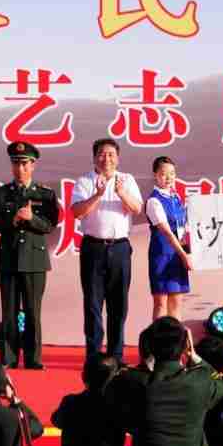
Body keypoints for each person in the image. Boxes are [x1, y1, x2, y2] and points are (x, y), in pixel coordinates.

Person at [0, 141, 61, 369]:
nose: (20, 169)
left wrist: (31, 218)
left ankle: (33, 359)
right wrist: (14, 219)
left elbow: (50, 225)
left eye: (25, 164)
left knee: (32, 311)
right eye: (16, 164)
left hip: (34, 260)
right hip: (8, 259)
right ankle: (8, 359)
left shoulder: (46, 194)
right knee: (9, 311)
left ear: (33, 165)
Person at [72, 138, 142, 360]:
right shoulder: (84, 181)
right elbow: (77, 212)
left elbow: (137, 208)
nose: (106, 158)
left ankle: (116, 356)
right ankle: (94, 356)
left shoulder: (127, 180)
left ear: (118, 158)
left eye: (111, 154)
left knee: (118, 305)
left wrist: (121, 192)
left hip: (120, 248)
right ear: (94, 158)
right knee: (93, 304)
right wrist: (98, 194)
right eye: (102, 154)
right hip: (93, 248)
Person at [145, 156, 191, 323]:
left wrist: (187, 251)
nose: (169, 177)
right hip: (162, 255)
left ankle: (175, 339)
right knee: (161, 303)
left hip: (177, 256)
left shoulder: (176, 197)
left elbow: (183, 228)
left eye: (172, 173)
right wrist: (184, 256)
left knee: (176, 302)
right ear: (155, 175)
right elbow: (167, 233)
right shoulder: (154, 201)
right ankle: (158, 339)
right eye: (164, 174)